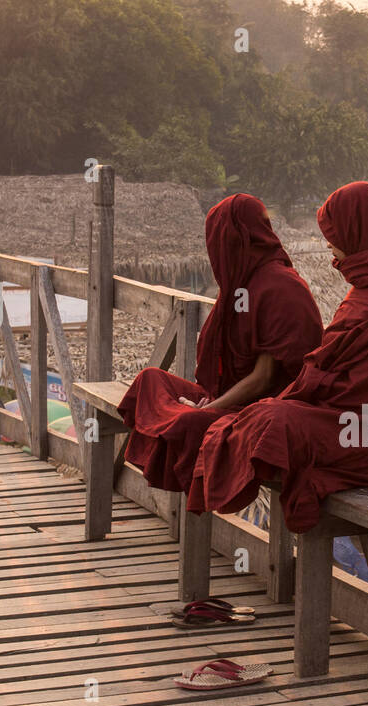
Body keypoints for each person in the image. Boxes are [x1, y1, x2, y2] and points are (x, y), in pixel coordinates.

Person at [187, 181, 368, 533]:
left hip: (365, 437)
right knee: (259, 417)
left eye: (334, 234)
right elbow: (330, 368)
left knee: (269, 420)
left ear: (358, 231)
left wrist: (310, 385)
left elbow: (364, 386)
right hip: (339, 417)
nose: (328, 244)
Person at [117, 194, 322, 493]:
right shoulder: (239, 285)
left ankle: (188, 419)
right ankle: (187, 415)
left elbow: (264, 379)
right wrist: (209, 401)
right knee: (150, 379)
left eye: (218, 240)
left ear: (239, 238)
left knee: (186, 425)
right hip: (221, 396)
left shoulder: (280, 286)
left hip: (258, 412)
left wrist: (208, 408)